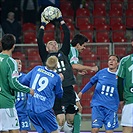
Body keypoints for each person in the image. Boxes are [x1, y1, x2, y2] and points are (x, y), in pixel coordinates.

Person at [37, 8, 78, 132]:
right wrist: (43, 24)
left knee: (70, 119)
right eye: (50, 43)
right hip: (54, 91)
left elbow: (67, 35)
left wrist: (61, 19)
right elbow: (39, 39)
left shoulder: (63, 52)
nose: (54, 44)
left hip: (68, 88)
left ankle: (67, 129)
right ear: (47, 48)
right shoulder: (45, 56)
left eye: (55, 43)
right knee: (60, 119)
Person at [0, 34, 34, 133]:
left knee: (4, 130)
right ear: (13, 46)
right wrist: (28, 90)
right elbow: (13, 84)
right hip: (6, 102)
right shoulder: (10, 62)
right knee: (14, 130)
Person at [21, 56, 63, 133]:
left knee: (43, 131)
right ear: (57, 65)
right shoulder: (56, 77)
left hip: (30, 108)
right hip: (44, 110)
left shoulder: (37, 68)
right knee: (54, 131)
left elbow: (24, 81)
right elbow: (59, 94)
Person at [78, 55, 120, 133]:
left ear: (118, 63)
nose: (111, 61)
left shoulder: (120, 76)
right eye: (109, 60)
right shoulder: (102, 72)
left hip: (111, 107)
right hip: (98, 105)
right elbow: (91, 82)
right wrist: (81, 92)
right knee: (95, 129)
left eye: (113, 60)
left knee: (109, 131)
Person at [68, 33, 98, 133]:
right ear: (77, 44)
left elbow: (69, 65)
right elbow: (74, 65)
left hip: (63, 84)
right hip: (65, 85)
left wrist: (78, 71)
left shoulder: (68, 49)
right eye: (83, 46)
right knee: (78, 108)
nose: (84, 48)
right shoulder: (73, 50)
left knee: (74, 109)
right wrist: (91, 68)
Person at [116, 40, 133, 133]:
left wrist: (121, 99)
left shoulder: (125, 60)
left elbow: (119, 81)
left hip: (129, 101)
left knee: (127, 129)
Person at [15, 58, 31, 133]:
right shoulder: (7, 78)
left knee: (24, 131)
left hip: (24, 112)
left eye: (20, 63)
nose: (18, 65)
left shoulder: (26, 77)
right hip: (13, 112)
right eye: (16, 63)